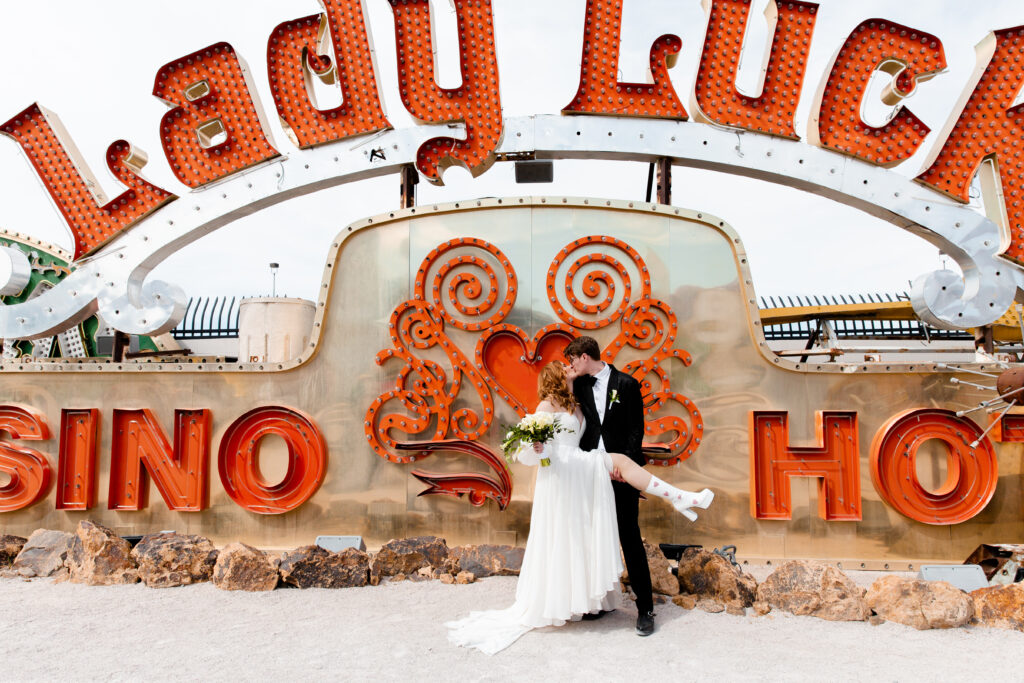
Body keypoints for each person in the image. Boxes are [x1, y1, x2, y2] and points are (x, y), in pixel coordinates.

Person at [446, 362, 713, 654]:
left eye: (570, 362)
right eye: (563, 366)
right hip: (564, 470)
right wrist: (540, 450)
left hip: (579, 466)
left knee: (585, 529)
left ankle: (680, 500)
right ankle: (681, 498)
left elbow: (593, 435)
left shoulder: (577, 401)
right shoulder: (546, 406)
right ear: (555, 377)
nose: (568, 365)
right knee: (614, 473)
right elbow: (529, 453)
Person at [563, 335, 712, 636]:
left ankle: (645, 609)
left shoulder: (628, 384)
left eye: (572, 359)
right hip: (590, 472)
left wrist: (625, 469)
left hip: (622, 472)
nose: (570, 365)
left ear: (584, 356)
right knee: (591, 537)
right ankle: (598, 603)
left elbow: (635, 431)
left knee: (630, 537)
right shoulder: (577, 386)